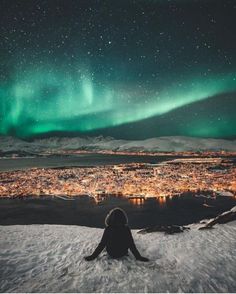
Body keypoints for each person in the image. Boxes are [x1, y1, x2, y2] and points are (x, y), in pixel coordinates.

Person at [84, 207, 149, 262]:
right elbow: (131, 244)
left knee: (106, 241)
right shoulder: (126, 229)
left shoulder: (108, 229)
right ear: (123, 218)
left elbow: (102, 244)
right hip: (123, 253)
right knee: (126, 240)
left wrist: (92, 256)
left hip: (111, 253)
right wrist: (138, 257)